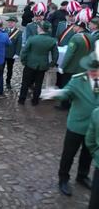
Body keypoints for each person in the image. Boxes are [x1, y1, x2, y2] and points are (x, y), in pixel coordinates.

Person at [42, 50, 99, 197]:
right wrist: (57, 93)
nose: (94, 73)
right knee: (69, 154)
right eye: (91, 70)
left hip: (93, 128)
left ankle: (82, 176)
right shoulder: (78, 80)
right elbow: (67, 92)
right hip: (76, 125)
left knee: (88, 154)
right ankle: (63, 179)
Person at [18, 21, 58, 106]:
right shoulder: (52, 41)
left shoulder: (32, 39)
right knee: (38, 84)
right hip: (43, 65)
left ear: (40, 29)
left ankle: (22, 99)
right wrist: (51, 64)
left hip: (30, 64)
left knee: (25, 83)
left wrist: (24, 61)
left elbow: (24, 52)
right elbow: (55, 55)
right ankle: (35, 100)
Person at [4, 16, 22, 89]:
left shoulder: (19, 32)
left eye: (12, 22)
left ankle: (8, 82)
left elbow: (19, 43)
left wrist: (17, 53)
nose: (10, 23)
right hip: (3, 53)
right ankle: (0, 82)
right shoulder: (4, 30)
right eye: (9, 22)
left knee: (9, 69)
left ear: (15, 23)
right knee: (0, 68)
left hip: (11, 54)